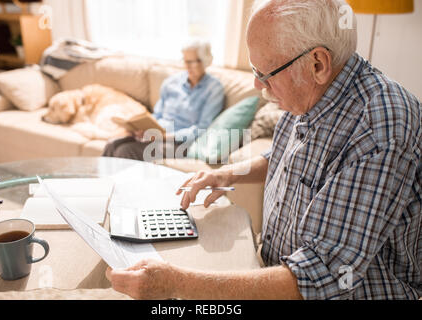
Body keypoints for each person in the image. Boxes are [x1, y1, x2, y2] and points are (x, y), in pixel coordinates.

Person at [105, 0, 421, 300]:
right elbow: (284, 157)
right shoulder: (312, 91)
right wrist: (225, 173)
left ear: (317, 63)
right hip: (276, 271)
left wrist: (175, 284)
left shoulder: (380, 127)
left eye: (263, 73)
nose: (258, 85)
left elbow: (321, 278)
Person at [102, 39, 224, 161]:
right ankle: (102, 180)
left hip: (181, 143)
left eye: (191, 62)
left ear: (204, 61)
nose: (187, 66)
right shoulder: (172, 82)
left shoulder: (214, 89)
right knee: (112, 144)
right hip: (157, 135)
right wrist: (143, 129)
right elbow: (158, 115)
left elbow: (203, 129)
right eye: (185, 61)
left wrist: (166, 137)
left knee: (126, 150)